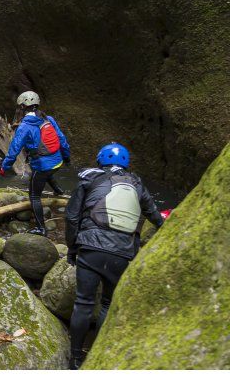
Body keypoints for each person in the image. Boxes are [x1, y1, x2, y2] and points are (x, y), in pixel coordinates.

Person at [65, 142, 165, 369]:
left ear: (100, 161)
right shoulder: (137, 184)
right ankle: (98, 358)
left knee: (83, 303)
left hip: (91, 248)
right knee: (108, 305)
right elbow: (154, 216)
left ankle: (74, 359)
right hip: (123, 253)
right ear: (126, 164)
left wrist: (72, 248)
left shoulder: (89, 179)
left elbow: (72, 218)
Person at [0, 90, 70, 236]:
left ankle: (41, 228)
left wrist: (4, 166)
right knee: (46, 172)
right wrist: (67, 158)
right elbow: (62, 139)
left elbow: (14, 149)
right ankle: (58, 191)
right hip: (58, 162)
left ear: (23, 107)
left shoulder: (25, 126)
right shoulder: (48, 119)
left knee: (34, 196)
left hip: (43, 166)